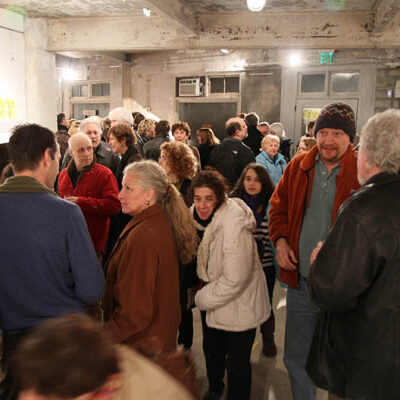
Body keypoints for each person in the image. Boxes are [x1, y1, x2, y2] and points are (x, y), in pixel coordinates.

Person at [0, 124, 104, 400]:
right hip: (62, 345)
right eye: (59, 157)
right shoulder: (66, 213)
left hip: (12, 344)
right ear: (47, 156)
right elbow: (92, 289)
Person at [268, 102, 360, 400]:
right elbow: (277, 208)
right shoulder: (298, 166)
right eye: (323, 133)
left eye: (337, 134)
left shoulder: (363, 170)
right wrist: (281, 241)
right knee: (296, 357)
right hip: (302, 282)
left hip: (345, 287)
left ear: (350, 138)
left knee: (342, 360)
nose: (328, 140)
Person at [307, 109, 400, 400]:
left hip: (368, 366)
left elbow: (333, 291)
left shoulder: (363, 209)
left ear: (366, 152)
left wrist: (319, 263)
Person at [104, 160, 197, 355]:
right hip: (157, 341)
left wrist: (101, 339)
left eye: (128, 188)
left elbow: (134, 313)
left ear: (149, 195)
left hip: (141, 348)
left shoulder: (143, 236)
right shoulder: (158, 222)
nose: (120, 194)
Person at [192, 171, 270, 400]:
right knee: (212, 351)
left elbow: (235, 279)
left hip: (240, 305)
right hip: (217, 299)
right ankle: (215, 387)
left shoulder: (233, 226)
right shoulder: (200, 219)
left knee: (237, 364)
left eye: (208, 198)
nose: (202, 205)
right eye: (197, 198)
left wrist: (201, 298)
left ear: (219, 198)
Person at [14, 314, 194, 400]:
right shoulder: (97, 366)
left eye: (44, 395)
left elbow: (136, 312)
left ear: (85, 397)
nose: (25, 397)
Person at [230, 163, 277, 357]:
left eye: (257, 180)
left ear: (264, 183)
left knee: (265, 304)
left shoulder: (272, 204)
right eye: (248, 179)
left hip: (265, 266)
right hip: (240, 266)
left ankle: (268, 338)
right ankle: (240, 347)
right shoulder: (233, 203)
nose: (251, 183)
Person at [159, 141, 199, 350]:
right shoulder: (161, 186)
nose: (159, 161)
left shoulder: (191, 187)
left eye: (164, 158)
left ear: (176, 161)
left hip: (184, 250)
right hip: (165, 249)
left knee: (183, 302)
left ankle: (185, 344)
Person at [58, 133, 120, 261]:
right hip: (68, 242)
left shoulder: (105, 174)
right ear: (71, 152)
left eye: (89, 148)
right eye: (81, 150)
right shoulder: (63, 175)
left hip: (93, 244)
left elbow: (114, 206)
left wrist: (81, 202)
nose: (87, 153)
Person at [208, 117, 255, 188]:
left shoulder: (216, 148)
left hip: (218, 188)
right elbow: (251, 173)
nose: (246, 127)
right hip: (237, 190)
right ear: (237, 132)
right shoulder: (245, 151)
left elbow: (210, 169)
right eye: (244, 126)